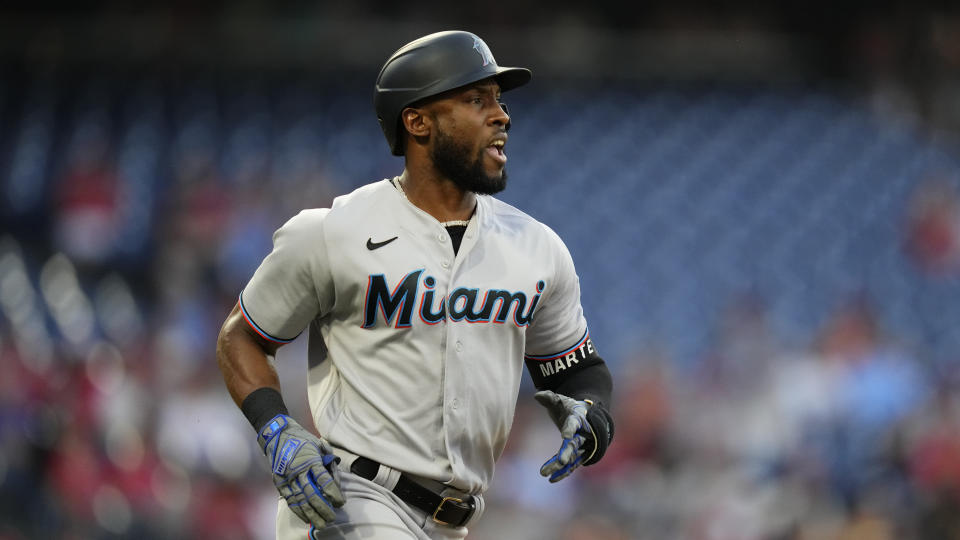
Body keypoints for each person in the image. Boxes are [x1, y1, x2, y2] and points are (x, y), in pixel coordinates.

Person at [216, 30, 615, 539]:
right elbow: (242, 336)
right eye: (476, 100)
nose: (501, 116)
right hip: (353, 500)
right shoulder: (333, 231)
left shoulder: (536, 249)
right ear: (418, 121)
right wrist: (275, 428)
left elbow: (576, 369)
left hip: (456, 521)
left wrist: (591, 415)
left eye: (498, 100)